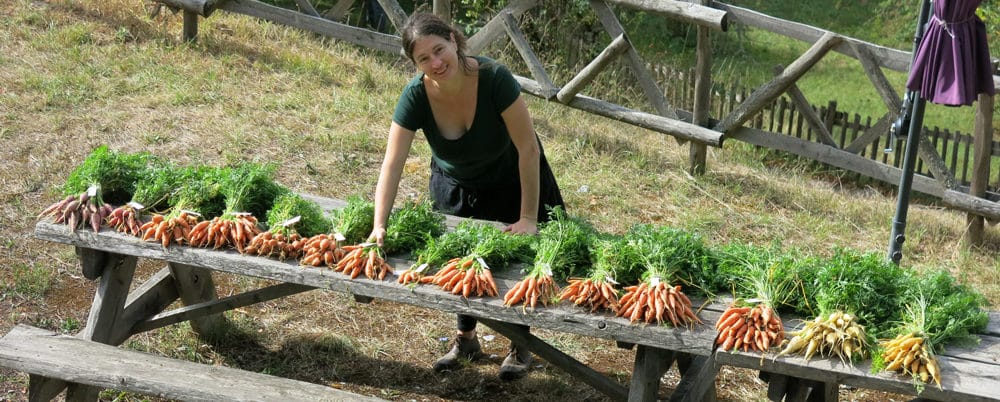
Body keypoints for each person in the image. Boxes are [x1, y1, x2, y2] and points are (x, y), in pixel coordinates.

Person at [368, 12, 565, 380]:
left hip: (512, 180)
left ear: (454, 40)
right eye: (423, 58)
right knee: (462, 262)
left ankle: (519, 344)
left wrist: (528, 218)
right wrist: (379, 226)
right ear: (414, 63)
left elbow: (528, 150)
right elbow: (391, 165)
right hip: (455, 185)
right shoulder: (415, 96)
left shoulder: (494, 79)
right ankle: (465, 339)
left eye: (439, 50)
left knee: (516, 262)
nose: (436, 63)